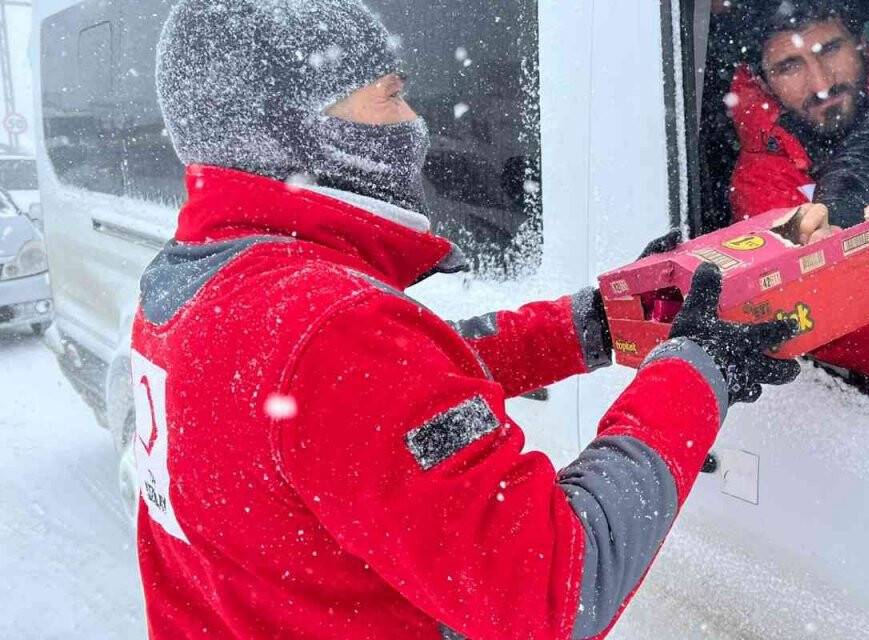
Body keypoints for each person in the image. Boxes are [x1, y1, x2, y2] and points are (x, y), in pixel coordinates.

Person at [132, 1, 816, 638]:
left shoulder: (207, 285)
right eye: (391, 95)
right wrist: (699, 370)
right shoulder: (327, 329)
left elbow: (379, 394)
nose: (415, 122)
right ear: (299, 134)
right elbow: (556, 584)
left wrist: (604, 322)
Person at [726, 0, 869, 418]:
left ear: (862, 46)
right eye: (789, 67)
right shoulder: (765, 182)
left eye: (830, 49)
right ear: (763, 83)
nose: (821, 84)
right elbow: (834, 326)